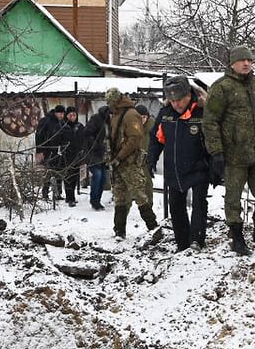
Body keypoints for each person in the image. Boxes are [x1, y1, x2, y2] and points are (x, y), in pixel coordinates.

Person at [201, 44, 255, 256]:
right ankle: (236, 237)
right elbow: (210, 122)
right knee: (233, 199)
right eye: (242, 60)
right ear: (232, 63)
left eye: (250, 60)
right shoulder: (222, 88)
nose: (246, 64)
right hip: (234, 155)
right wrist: (216, 152)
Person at [148, 76, 210, 252]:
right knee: (176, 206)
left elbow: (213, 140)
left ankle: (197, 240)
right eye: (173, 100)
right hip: (174, 168)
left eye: (180, 100)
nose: (176, 104)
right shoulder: (166, 114)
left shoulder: (201, 112)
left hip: (199, 166)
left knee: (199, 204)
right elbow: (156, 139)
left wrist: (216, 163)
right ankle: (182, 243)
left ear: (189, 95)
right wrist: (151, 159)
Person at [105, 87, 158, 238]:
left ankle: (153, 227)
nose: (109, 105)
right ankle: (119, 231)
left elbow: (135, 138)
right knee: (120, 197)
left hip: (129, 162)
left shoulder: (130, 114)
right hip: (118, 161)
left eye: (110, 102)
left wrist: (120, 157)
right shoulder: (118, 114)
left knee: (140, 195)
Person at [35, 105, 67, 200]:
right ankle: (45, 193)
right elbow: (39, 135)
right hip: (47, 150)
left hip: (57, 150)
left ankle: (57, 193)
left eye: (63, 113)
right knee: (48, 172)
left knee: (58, 172)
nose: (62, 115)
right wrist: (40, 150)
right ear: (56, 112)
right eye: (60, 113)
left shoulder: (61, 122)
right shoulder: (46, 121)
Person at [81, 105, 111, 210]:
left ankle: (97, 200)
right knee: (97, 175)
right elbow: (87, 133)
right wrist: (96, 145)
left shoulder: (109, 122)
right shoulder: (96, 119)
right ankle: (94, 201)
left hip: (104, 153)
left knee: (103, 178)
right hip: (93, 153)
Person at [58, 106, 85, 207]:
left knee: (74, 176)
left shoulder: (80, 126)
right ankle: (70, 198)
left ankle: (71, 196)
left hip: (77, 155)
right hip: (65, 155)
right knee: (67, 176)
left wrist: (83, 152)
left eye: (74, 115)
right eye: (70, 115)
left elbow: (84, 140)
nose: (72, 117)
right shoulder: (62, 126)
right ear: (66, 115)